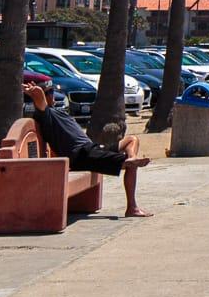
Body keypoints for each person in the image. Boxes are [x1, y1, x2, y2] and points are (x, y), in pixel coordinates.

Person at [25, 82, 150, 217]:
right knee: (129, 165)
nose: (52, 94)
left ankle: (131, 158)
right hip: (81, 154)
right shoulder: (45, 115)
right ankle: (132, 207)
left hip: (92, 148)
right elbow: (39, 99)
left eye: (53, 90)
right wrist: (35, 91)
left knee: (132, 140)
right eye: (49, 92)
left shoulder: (56, 112)